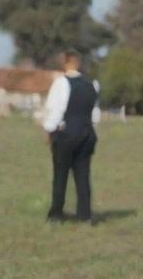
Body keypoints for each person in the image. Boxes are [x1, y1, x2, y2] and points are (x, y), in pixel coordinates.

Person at [43, 49, 100, 223]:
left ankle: (56, 214)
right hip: (87, 133)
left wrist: (49, 129)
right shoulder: (92, 85)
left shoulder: (61, 83)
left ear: (65, 63)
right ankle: (85, 214)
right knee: (83, 175)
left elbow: (56, 109)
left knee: (60, 175)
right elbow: (95, 113)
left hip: (66, 134)